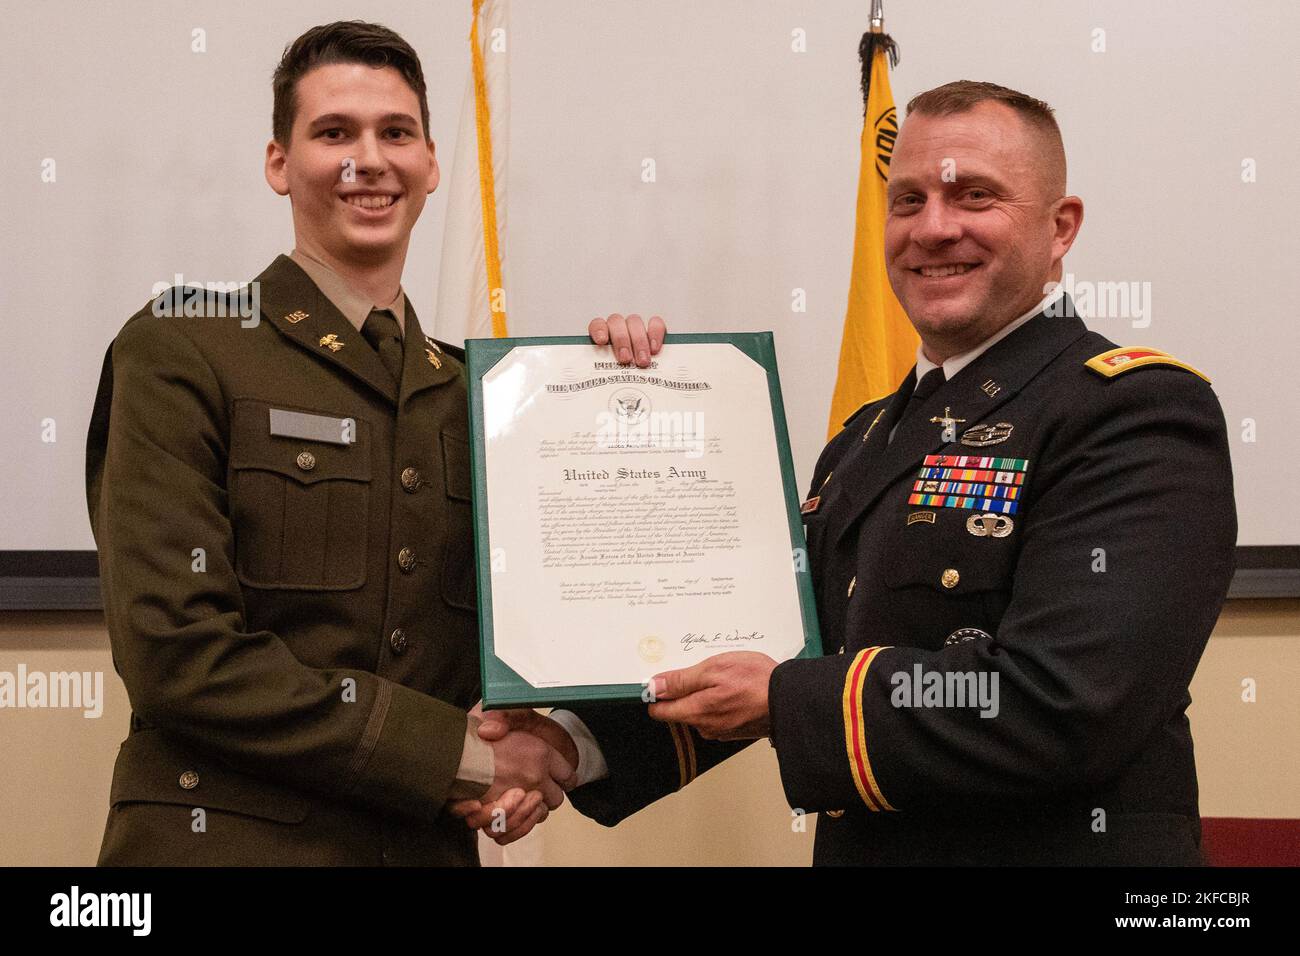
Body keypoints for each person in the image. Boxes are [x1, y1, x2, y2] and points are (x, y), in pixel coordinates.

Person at [456, 81, 1237, 865]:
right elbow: (774, 642)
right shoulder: (866, 439)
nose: (934, 228)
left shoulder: (1136, 412)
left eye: (974, 196)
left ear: (1060, 226)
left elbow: (1063, 704)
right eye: (908, 200)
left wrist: (785, 702)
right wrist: (565, 744)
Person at [85, 20, 657, 865]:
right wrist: (465, 757)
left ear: (431, 164)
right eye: (333, 133)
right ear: (279, 163)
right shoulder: (183, 345)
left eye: (396, 133)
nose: (368, 159)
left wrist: (628, 398)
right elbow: (179, 655)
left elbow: (604, 614)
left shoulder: (493, 395)